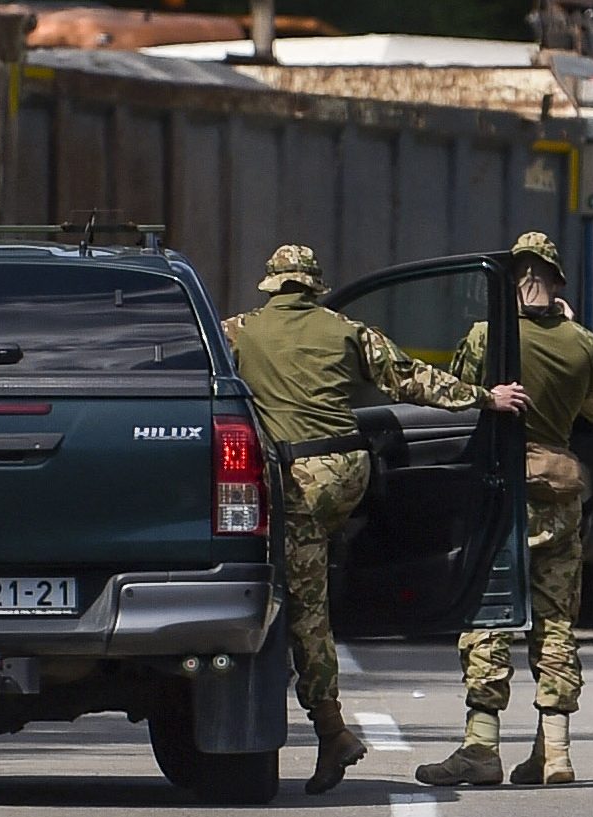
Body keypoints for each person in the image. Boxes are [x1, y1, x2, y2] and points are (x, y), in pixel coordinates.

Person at [224, 244, 526, 795]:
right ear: (313, 286)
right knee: (320, 568)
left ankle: (332, 730)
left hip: (295, 477)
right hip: (348, 469)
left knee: (305, 609)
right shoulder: (345, 329)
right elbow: (412, 380)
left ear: (270, 286)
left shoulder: (239, 332)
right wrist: (487, 397)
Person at [417, 234, 593, 789]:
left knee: (488, 616)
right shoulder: (585, 344)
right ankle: (555, 752)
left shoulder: (486, 337)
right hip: (559, 497)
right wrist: (574, 332)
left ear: (508, 279)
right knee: (555, 620)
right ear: (555, 282)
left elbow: (456, 393)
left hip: (501, 494)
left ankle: (481, 748)